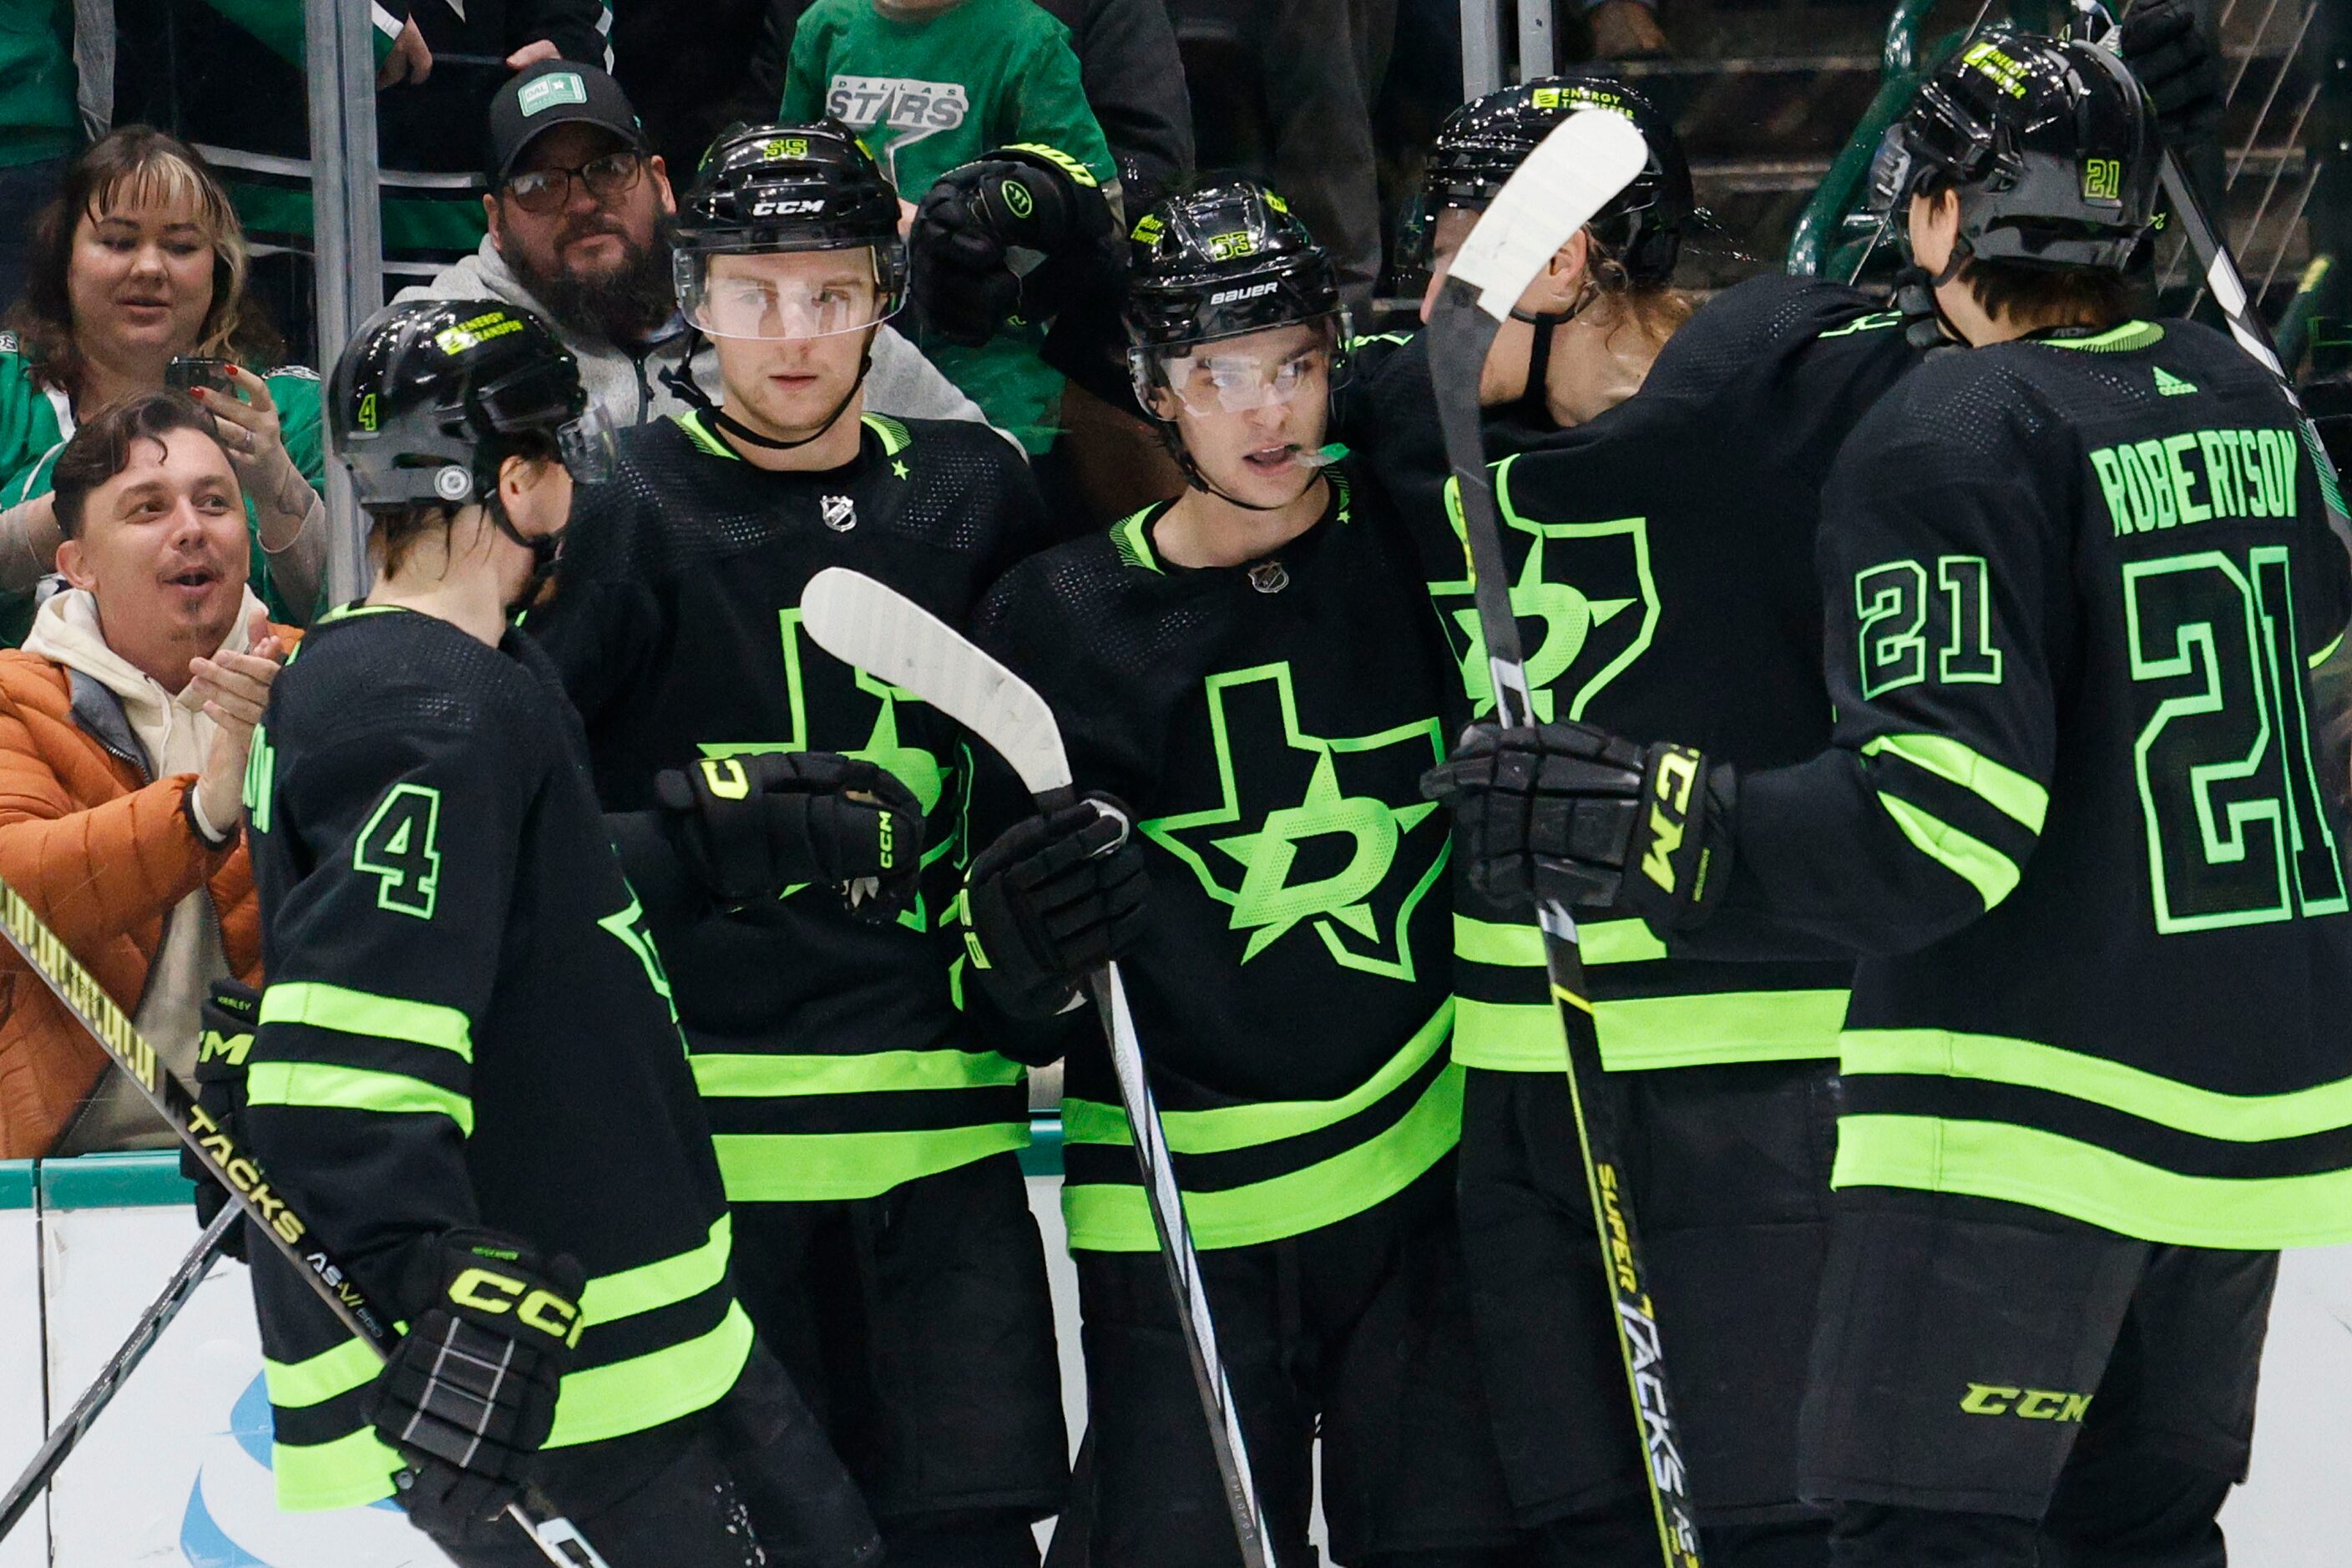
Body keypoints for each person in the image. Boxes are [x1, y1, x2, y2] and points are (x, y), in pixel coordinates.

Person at [916, 82, 1900, 1562]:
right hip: (1464, 1131)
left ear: (1560, 261)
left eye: (1446, 250)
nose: (1420, 293)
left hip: (1705, 1102)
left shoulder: (1785, 401)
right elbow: (1196, 370)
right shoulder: (1388, 444)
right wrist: (1063, 259)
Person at [1425, 31, 2352, 1566]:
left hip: (2029, 1119)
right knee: (2142, 1529)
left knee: (1910, 1538)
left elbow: (1937, 832)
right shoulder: (2241, 402)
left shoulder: (1947, 433)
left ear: (1938, 216)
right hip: (2253, 1105)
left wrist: (1663, 817)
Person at [234, 296, 888, 1566]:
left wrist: (698, 842)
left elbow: (510, 918)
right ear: (515, 477)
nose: (575, 493)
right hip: (567, 1372)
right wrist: (427, 1280)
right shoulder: (423, 703)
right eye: (558, 459)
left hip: (657, 1321)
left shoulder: (468, 670)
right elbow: (362, 1035)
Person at [522, 126, 1066, 1567]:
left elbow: (1038, 792)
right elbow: (527, 813)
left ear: (884, 294)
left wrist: (1041, 943)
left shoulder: (972, 492)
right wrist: (690, 834)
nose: (795, 332)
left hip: (942, 1155)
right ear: (696, 296)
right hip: (715, 1169)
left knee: (966, 1542)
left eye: (830, 293)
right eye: (757, 292)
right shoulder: (623, 504)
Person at [962, 180, 1518, 1568]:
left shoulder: (1413, 541)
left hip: (1422, 1178)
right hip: (1174, 1208)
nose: (1265, 412)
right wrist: (1023, 936)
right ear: (1154, 390)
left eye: (1292, 367)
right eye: (1218, 375)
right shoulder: (1057, 616)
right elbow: (1001, 997)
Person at [398, 59, 1003, 437]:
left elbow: (987, 462)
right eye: (538, 185)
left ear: (661, 183)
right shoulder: (455, 331)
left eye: (607, 168)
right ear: (495, 222)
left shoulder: (773, 295)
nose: (581, 203)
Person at [0, 389, 285, 1158]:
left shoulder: (318, 678)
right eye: (148, 509)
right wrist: (203, 811)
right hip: (65, 1184)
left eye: (215, 502)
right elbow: (9, 893)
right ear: (78, 564)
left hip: (289, 1179)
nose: (191, 529)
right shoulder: (14, 698)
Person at [108, 0, 611, 346]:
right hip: (242, 201)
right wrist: (354, 19)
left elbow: (574, 26)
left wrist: (569, 44)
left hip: (461, 214)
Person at [0, 127, 324, 645]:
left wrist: (276, 485)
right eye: (118, 242)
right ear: (65, 259)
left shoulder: (291, 411)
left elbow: (363, 610)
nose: (149, 268)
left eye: (180, 246)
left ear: (218, 267)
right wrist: (76, 507)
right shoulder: (6, 389)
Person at [778, 0, 1120, 455]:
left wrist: (971, 226)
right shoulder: (825, 26)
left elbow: (1097, 210)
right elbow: (788, 174)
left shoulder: (1026, 37)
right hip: (849, 345)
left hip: (988, 362)